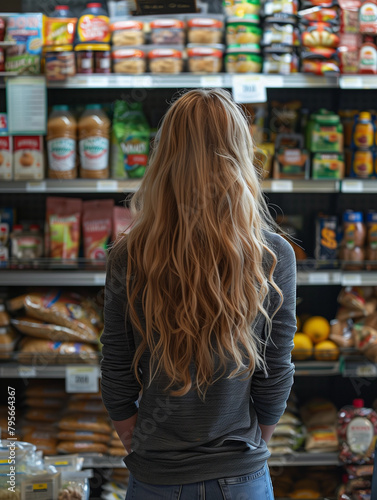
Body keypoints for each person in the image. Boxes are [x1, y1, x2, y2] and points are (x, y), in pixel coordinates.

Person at [100, 88, 296, 500]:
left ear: (165, 156)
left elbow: (116, 367)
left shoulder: (130, 254)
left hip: (156, 474)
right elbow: (275, 370)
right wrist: (250, 444)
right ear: (241, 154)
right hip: (240, 473)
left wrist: (135, 436)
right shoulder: (272, 254)